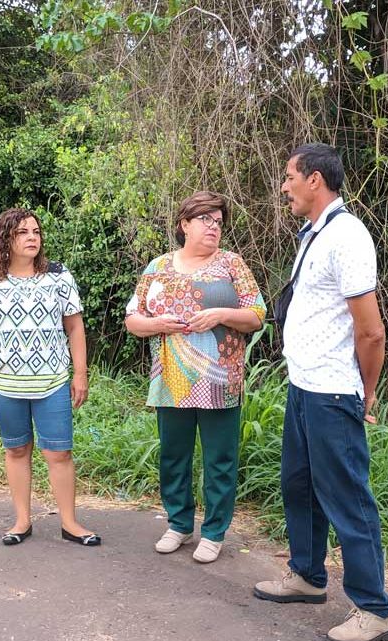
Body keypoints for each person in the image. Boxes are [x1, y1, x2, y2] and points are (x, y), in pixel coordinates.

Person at [253, 144, 388, 641]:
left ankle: (374, 610)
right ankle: (308, 576)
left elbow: (371, 332)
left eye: (290, 177)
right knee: (298, 486)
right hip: (303, 386)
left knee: (347, 500)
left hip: (334, 393)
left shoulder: (348, 236)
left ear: (315, 180)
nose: (285, 186)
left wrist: (365, 392)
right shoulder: (316, 232)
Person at [125, 191, 265, 564]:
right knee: (174, 455)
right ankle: (179, 524)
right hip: (171, 378)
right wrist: (156, 324)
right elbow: (132, 319)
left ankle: (215, 531)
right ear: (185, 224)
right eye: (206, 220)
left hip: (221, 379)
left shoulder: (232, 264)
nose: (213, 228)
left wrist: (221, 314)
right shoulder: (157, 267)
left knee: (219, 457)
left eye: (219, 222)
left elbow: (257, 315)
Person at [0, 207, 100, 547]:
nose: (32, 237)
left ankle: (70, 523)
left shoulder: (58, 276)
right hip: (3, 383)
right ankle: (22, 521)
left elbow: (75, 327)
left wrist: (79, 374)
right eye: (23, 232)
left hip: (51, 381)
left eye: (36, 231)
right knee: (17, 450)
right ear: (7, 238)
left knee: (59, 453)